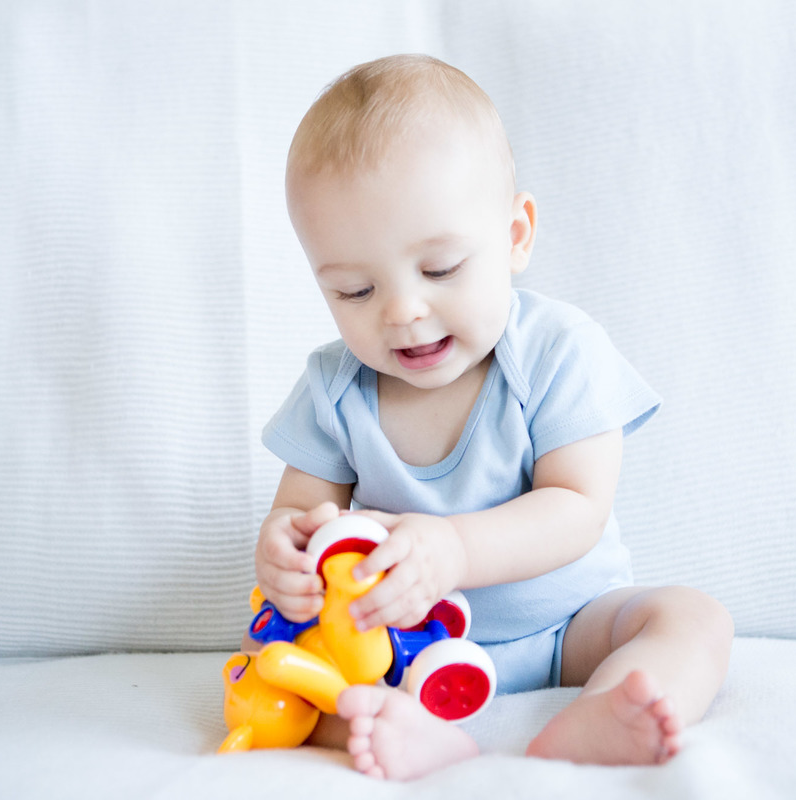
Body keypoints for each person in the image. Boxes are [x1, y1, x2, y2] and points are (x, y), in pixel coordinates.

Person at [256, 53, 733, 780]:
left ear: (515, 236)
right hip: (408, 650)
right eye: (354, 291)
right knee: (294, 678)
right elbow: (300, 518)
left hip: (573, 625)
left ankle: (603, 712)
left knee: (692, 619)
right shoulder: (333, 387)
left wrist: (453, 550)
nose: (402, 310)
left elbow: (577, 507)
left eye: (440, 269)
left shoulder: (555, 351)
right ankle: (417, 734)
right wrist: (285, 558)